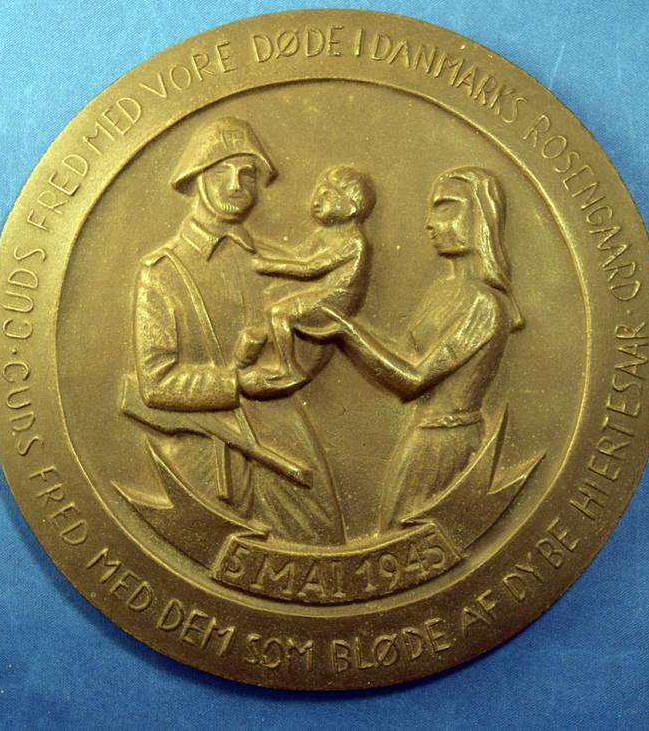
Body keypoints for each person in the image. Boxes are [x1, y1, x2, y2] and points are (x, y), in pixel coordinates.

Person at [127, 116, 345, 545]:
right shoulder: (163, 272)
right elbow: (156, 382)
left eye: (247, 174)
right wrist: (237, 382)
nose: (235, 185)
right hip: (206, 448)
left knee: (322, 544)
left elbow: (317, 339)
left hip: (282, 436)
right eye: (220, 172)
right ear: (196, 178)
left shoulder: (275, 261)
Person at [298, 166, 523, 530]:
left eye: (446, 207)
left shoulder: (483, 303)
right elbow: (398, 358)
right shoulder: (441, 292)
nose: (430, 223)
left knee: (411, 538)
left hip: (448, 443)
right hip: (421, 438)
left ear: (480, 217)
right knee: (395, 532)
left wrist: (345, 332)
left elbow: (414, 380)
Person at [235, 165, 375, 385]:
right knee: (274, 296)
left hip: (340, 299)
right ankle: (263, 340)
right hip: (324, 292)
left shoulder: (353, 240)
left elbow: (310, 268)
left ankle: (289, 369)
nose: (316, 201)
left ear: (350, 207)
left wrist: (267, 265)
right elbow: (296, 256)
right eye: (319, 193)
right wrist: (256, 247)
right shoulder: (325, 234)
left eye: (327, 195)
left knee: (279, 313)